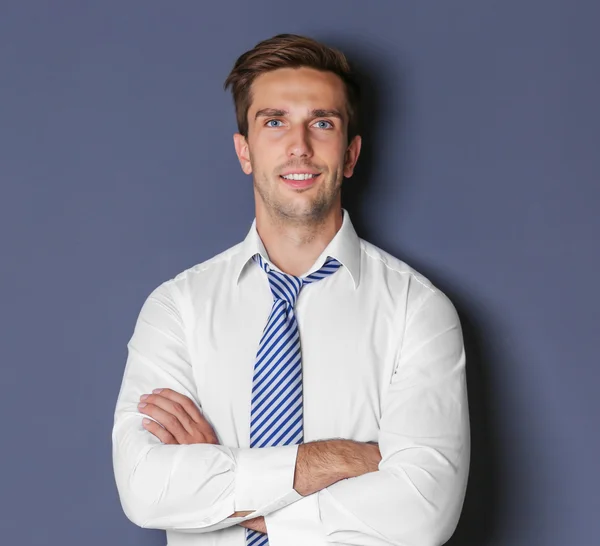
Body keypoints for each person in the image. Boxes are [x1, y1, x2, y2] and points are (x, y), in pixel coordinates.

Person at [112, 33, 470, 546]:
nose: (298, 145)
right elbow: (145, 489)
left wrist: (224, 486)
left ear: (349, 155)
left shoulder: (417, 310)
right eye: (274, 122)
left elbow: (422, 513)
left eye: (321, 123)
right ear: (245, 151)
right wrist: (337, 460)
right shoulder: (177, 308)